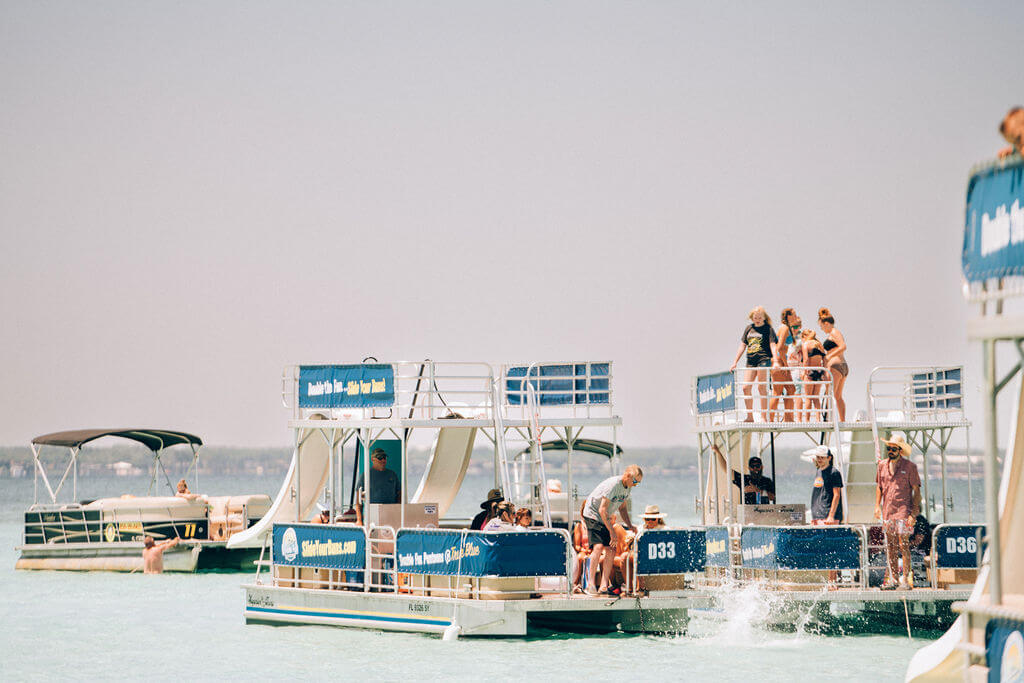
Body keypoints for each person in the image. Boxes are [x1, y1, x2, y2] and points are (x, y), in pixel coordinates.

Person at [582, 465, 642, 596]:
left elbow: (622, 508)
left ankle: (604, 586)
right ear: (627, 476)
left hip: (605, 516)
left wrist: (630, 525)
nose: (637, 485)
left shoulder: (627, 488)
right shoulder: (614, 485)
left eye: (639, 482)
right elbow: (602, 509)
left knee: (611, 549)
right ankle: (590, 584)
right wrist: (612, 532)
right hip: (593, 514)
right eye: (636, 481)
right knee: (598, 547)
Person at [875, 436, 922, 589]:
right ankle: (893, 579)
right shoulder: (881, 465)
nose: (890, 451)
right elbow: (879, 487)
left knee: (904, 544)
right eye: (888, 448)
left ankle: (905, 580)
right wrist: (877, 506)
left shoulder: (910, 467)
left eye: (893, 449)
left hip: (904, 511)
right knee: (890, 545)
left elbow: (916, 491)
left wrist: (914, 513)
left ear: (900, 451)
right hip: (888, 512)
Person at [730, 306, 778, 422]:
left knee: (761, 387)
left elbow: (773, 345)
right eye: (755, 318)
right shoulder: (749, 328)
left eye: (759, 317)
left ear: (764, 318)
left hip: (763, 359)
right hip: (751, 360)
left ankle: (763, 416)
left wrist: (775, 360)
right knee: (746, 387)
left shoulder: (768, 329)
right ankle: (750, 416)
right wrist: (735, 362)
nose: (757, 320)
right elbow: (742, 345)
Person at [770, 308, 802, 422]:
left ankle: (788, 418)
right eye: (794, 314)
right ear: (788, 316)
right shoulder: (784, 328)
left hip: (783, 360)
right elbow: (779, 347)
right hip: (778, 361)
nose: (796, 316)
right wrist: (782, 363)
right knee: (777, 392)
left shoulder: (788, 328)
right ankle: (770, 419)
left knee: (791, 389)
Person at [818, 308, 848, 422]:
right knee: (837, 396)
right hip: (842, 366)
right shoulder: (833, 333)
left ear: (826, 323)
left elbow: (843, 346)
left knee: (830, 393)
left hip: (836, 365)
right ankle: (842, 420)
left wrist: (828, 357)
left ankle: (829, 419)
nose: (821, 329)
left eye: (821, 326)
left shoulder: (834, 332)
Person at [809, 447, 843, 524]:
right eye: (818, 457)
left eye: (822, 457)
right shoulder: (819, 471)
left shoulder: (834, 472)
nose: (820, 459)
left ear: (829, 458)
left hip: (828, 516)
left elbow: (837, 495)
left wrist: (831, 516)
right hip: (817, 515)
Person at [801, 329, 828, 421]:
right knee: (816, 398)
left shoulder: (806, 344)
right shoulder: (819, 344)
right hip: (819, 371)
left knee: (808, 398)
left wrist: (805, 372)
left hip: (810, 372)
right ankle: (818, 419)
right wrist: (824, 372)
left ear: (804, 336)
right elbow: (825, 359)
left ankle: (807, 420)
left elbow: (805, 360)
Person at [571, 502, 591, 592]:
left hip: (595, 550)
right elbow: (577, 546)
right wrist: (585, 550)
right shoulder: (579, 526)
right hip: (583, 549)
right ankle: (576, 582)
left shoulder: (597, 524)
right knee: (580, 557)